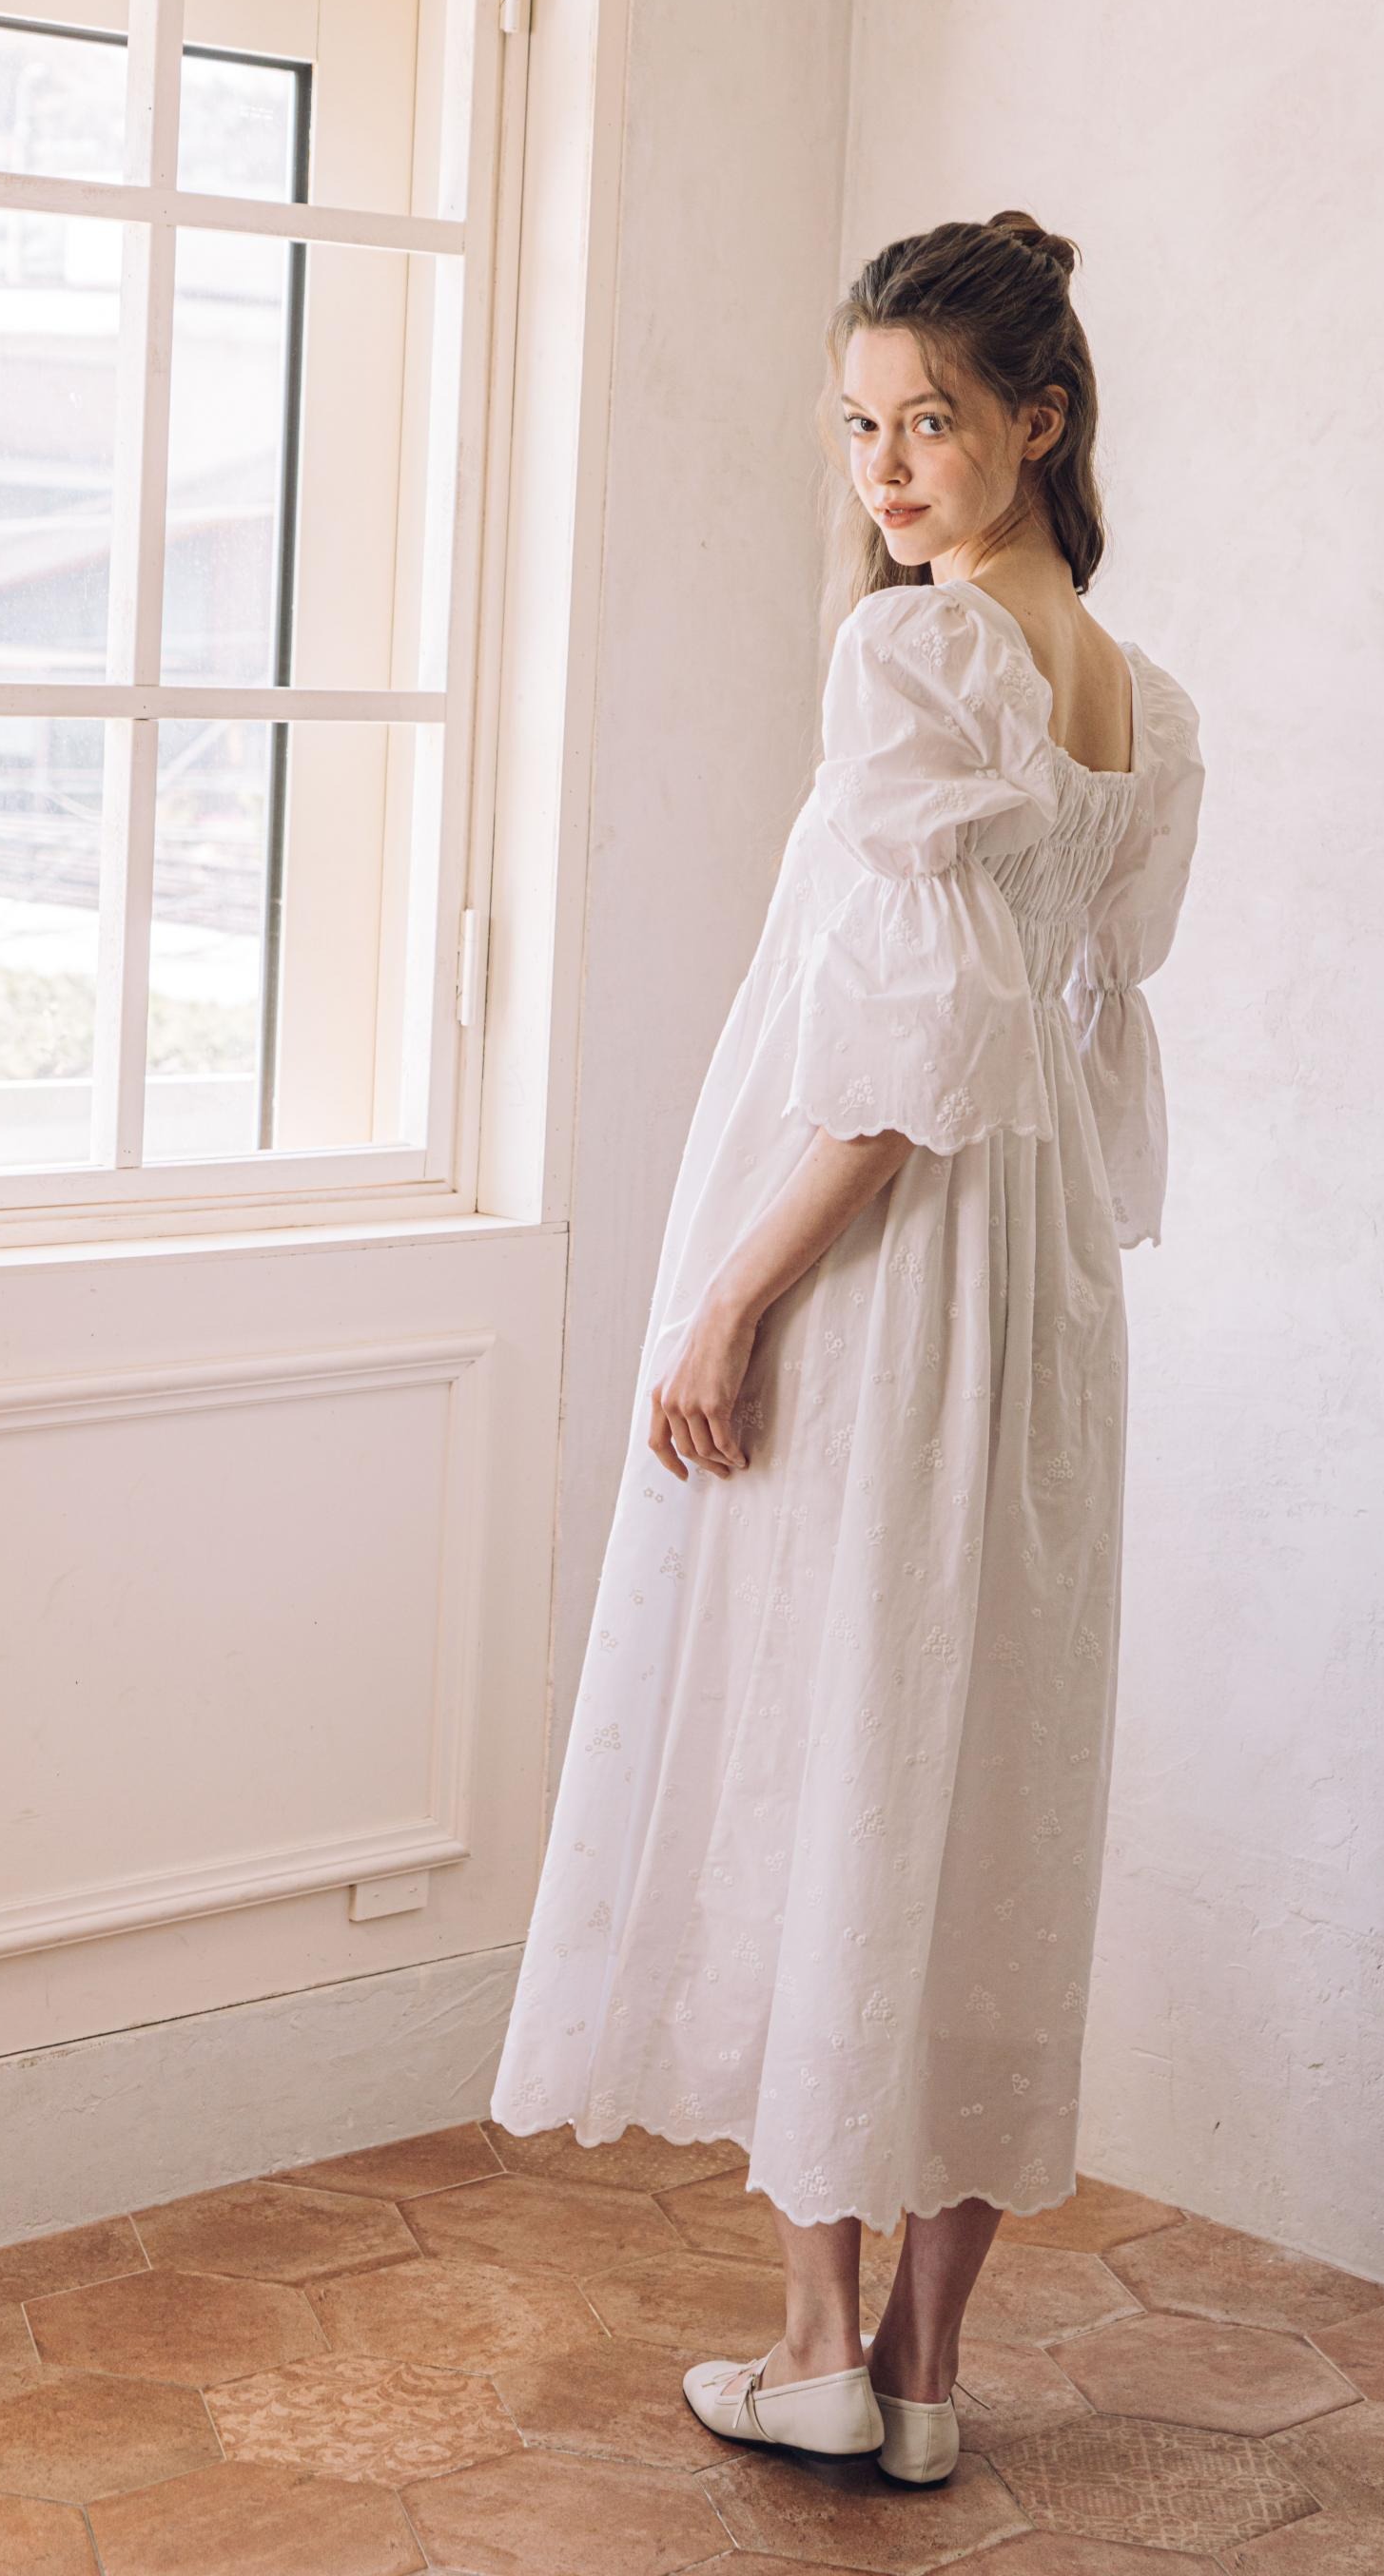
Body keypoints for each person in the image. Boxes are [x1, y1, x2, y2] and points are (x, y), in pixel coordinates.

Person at [489, 209, 1205, 2483]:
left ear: (1039, 424)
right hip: (1045, 1299)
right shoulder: (1138, 701)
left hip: (889, 1279)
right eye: (860, 425)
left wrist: (732, 1296)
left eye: (932, 422)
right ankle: (922, 2376)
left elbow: (904, 1069)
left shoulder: (914, 658)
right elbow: (1077, 1034)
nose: (886, 467)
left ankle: (815, 2344)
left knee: (838, 1752)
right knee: (984, 1781)